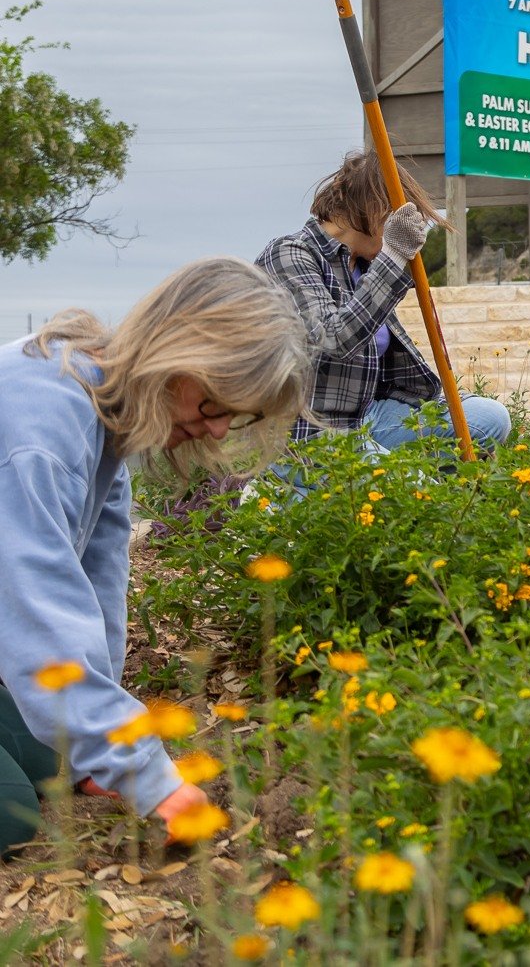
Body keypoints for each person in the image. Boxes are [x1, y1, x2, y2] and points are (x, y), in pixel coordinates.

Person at [0, 258, 313, 858]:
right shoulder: (40, 430)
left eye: (237, 416)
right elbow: (36, 613)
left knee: (54, 756)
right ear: (178, 354)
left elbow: (96, 589)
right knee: (9, 814)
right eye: (217, 403)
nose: (219, 431)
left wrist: (112, 750)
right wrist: (147, 777)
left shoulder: (105, 422)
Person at [257, 150, 511, 456]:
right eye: (397, 218)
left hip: (370, 415)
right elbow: (331, 341)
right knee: (405, 490)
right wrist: (392, 255)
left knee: (489, 419)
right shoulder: (290, 254)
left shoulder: (363, 266)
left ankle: (411, 469)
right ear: (375, 210)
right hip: (314, 428)